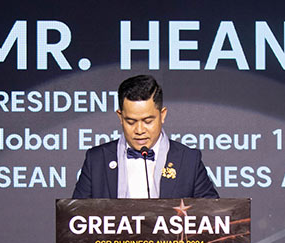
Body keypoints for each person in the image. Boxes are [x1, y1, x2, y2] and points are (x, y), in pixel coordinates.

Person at [72, 74, 218, 199]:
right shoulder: (96, 160)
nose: (139, 130)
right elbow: (75, 216)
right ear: (120, 117)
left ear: (162, 115)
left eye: (148, 121)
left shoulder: (189, 160)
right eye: (131, 122)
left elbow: (213, 214)